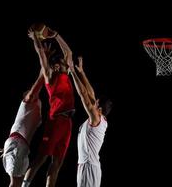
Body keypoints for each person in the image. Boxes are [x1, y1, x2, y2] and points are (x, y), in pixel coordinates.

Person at [22, 24, 75, 187]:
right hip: (55, 121)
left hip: (67, 123)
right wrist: (36, 39)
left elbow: (69, 52)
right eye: (62, 63)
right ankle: (24, 185)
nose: (66, 65)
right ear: (56, 65)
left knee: (57, 164)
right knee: (40, 159)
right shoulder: (50, 77)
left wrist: (56, 35)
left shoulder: (65, 74)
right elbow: (41, 56)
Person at [69, 57, 113, 187]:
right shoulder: (100, 118)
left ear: (99, 109)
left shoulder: (96, 118)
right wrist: (81, 72)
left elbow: (83, 94)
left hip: (88, 167)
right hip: (89, 166)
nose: (94, 101)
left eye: (96, 103)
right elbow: (90, 93)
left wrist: (72, 71)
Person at [0, 71, 44, 187]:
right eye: (30, 92)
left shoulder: (36, 110)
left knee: (18, 182)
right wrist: (44, 65)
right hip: (17, 143)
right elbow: (38, 82)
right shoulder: (27, 102)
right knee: (15, 182)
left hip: (18, 143)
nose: (33, 92)